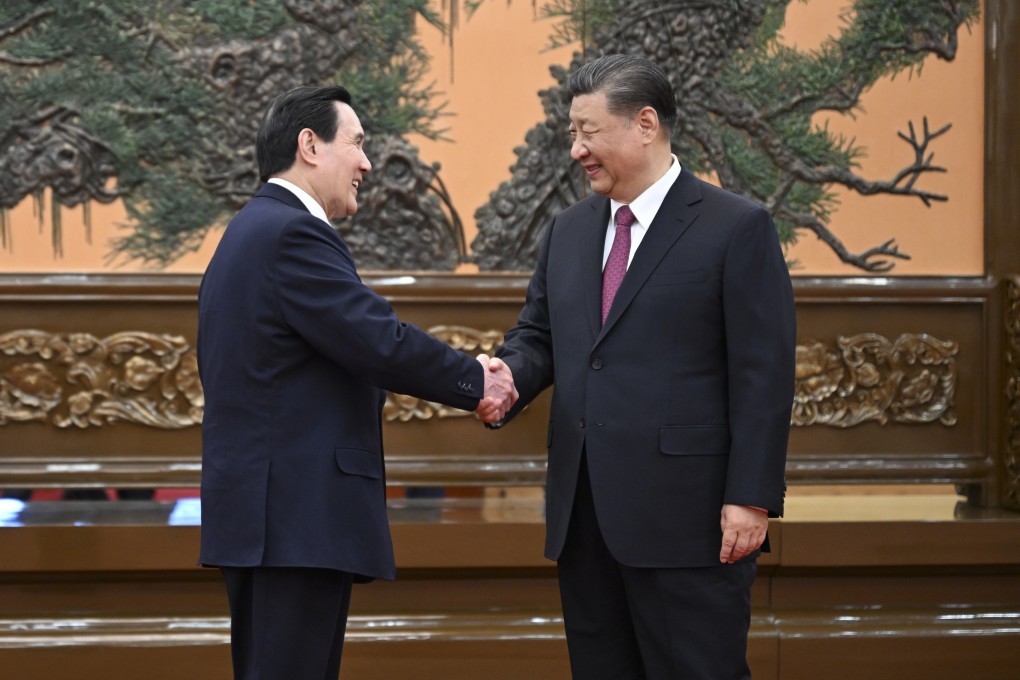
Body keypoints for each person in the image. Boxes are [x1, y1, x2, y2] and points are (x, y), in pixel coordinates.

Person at [485, 54, 796, 679]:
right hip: (585, 519)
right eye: (572, 133)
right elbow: (540, 335)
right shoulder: (567, 231)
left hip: (690, 520)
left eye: (587, 131)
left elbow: (764, 374)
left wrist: (751, 498)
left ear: (645, 123)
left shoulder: (736, 228)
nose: (576, 150)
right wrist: (508, 376)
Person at [197, 85, 516, 680]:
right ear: (309, 146)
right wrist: (477, 379)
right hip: (292, 522)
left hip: (271, 520)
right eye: (358, 143)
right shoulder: (290, 233)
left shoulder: (251, 231)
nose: (368, 163)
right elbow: (377, 339)